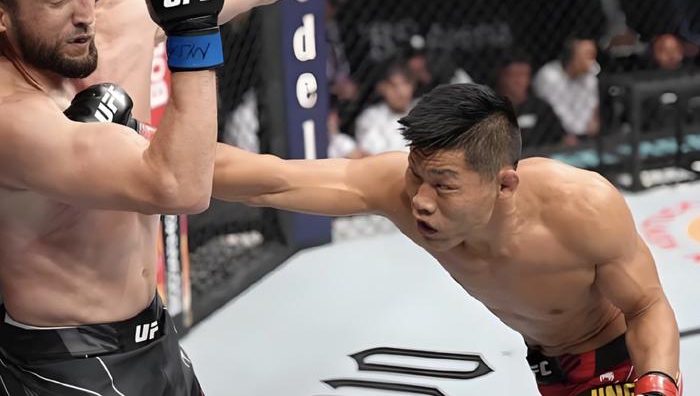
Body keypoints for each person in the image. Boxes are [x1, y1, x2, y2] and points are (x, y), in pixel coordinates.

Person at [0, 0, 437, 394]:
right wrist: (194, 37)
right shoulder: (12, 119)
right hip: (65, 365)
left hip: (154, 333)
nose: (85, 10)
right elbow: (179, 187)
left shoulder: (117, 26)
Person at [213, 83, 682, 396]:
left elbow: (646, 306)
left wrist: (657, 383)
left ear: (504, 184)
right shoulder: (399, 190)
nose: (420, 200)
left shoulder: (582, 207)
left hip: (620, 362)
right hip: (547, 366)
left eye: (443, 185)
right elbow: (270, 182)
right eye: (415, 175)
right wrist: (166, 150)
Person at [533, 38, 601, 142]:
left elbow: (594, 108)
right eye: (588, 55)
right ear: (572, 57)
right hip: (555, 136)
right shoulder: (549, 76)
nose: (592, 61)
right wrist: (563, 135)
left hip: (586, 136)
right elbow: (550, 113)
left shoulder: (590, 75)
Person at [494, 53, 567, 148]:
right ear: (502, 77)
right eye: (514, 75)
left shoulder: (541, 107)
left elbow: (562, 137)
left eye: (523, 75)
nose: (519, 81)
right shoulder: (489, 107)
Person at [355, 58, 416, 154]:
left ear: (413, 85)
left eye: (405, 84)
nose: (400, 92)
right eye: (393, 86)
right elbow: (369, 154)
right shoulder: (370, 118)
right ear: (382, 88)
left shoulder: (425, 114)